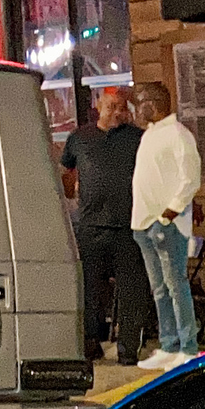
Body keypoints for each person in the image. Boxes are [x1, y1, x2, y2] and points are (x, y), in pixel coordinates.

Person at [60, 87, 150, 360]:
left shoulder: (137, 137)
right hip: (91, 225)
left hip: (128, 225)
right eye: (111, 106)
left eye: (121, 107)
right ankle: (90, 342)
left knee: (131, 288)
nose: (117, 112)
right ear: (98, 106)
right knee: (89, 287)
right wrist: (71, 192)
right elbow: (66, 170)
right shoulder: (79, 137)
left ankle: (128, 348)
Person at [130, 81, 203, 369]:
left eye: (140, 102)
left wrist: (169, 214)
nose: (136, 109)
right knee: (159, 289)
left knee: (176, 286)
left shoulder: (178, 134)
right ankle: (169, 343)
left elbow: (190, 178)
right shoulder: (149, 135)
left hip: (165, 224)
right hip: (144, 223)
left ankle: (188, 347)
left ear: (154, 104)